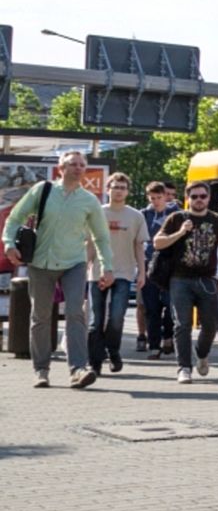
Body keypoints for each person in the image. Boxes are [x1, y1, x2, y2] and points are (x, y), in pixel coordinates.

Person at [4, 152, 114, 389]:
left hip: (74, 263)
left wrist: (107, 267)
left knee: (75, 313)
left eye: (82, 165)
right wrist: (9, 244)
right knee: (40, 317)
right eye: (73, 164)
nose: (78, 168)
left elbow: (102, 237)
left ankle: (78, 369)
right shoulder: (43, 191)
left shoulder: (89, 200)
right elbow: (14, 218)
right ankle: (41, 370)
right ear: (61, 168)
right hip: (41, 263)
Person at [152, 180, 218, 385]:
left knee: (211, 324)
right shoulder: (177, 218)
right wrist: (180, 233)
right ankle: (184, 368)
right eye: (194, 196)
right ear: (188, 198)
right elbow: (157, 243)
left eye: (202, 196)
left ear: (209, 198)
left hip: (207, 278)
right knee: (182, 324)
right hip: (180, 278)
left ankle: (201, 353)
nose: (198, 200)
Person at [87, 173, 147, 376]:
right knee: (96, 321)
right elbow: (89, 244)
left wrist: (142, 273)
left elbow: (139, 246)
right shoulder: (97, 213)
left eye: (122, 187)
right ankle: (94, 363)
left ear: (128, 191)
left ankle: (113, 351)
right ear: (108, 189)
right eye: (115, 187)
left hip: (124, 272)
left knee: (116, 317)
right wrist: (84, 269)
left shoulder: (136, 216)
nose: (118, 190)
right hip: (97, 273)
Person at [139, 181, 179, 359]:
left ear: (165, 196)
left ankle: (168, 336)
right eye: (152, 198)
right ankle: (154, 344)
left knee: (171, 305)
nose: (156, 201)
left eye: (159, 197)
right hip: (149, 264)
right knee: (151, 307)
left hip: (170, 265)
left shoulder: (175, 214)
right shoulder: (143, 215)